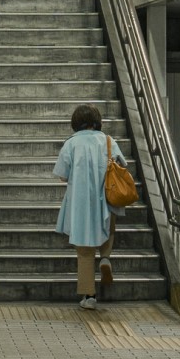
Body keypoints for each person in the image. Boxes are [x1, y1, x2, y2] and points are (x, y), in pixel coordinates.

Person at [53, 104, 127, 310]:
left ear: (75, 123)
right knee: (108, 229)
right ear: (97, 122)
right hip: (108, 197)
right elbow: (121, 165)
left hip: (80, 203)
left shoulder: (71, 144)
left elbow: (62, 175)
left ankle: (89, 296)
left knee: (84, 251)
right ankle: (105, 258)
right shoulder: (108, 141)